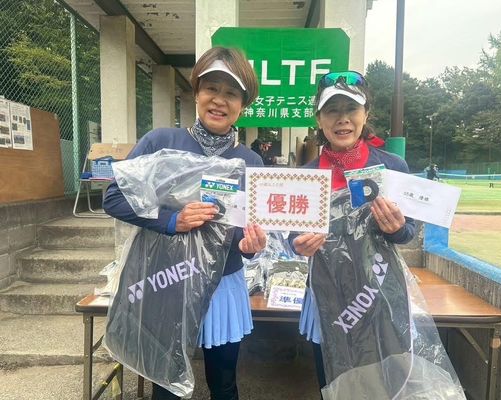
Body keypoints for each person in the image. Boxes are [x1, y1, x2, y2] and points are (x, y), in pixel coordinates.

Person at [103, 46, 267, 400]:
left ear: (243, 104)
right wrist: (170, 220)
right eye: (211, 88)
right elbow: (114, 197)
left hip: (224, 285)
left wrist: (250, 247)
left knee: (224, 383)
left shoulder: (250, 161)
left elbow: (249, 232)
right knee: (166, 383)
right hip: (167, 279)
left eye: (231, 93)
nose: (219, 100)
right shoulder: (161, 142)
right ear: (196, 92)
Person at [290, 71, 416, 394]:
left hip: (380, 293)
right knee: (335, 384)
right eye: (332, 110)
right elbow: (292, 235)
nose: (342, 119)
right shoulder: (306, 175)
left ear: (366, 114)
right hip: (327, 297)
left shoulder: (392, 167)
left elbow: (409, 232)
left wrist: (397, 229)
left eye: (351, 109)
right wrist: (299, 244)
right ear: (319, 119)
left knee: (388, 385)